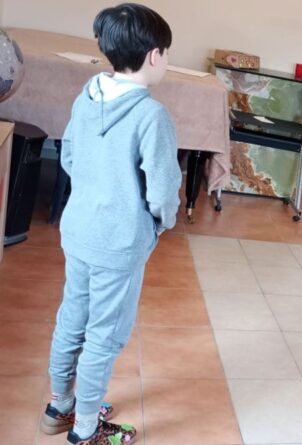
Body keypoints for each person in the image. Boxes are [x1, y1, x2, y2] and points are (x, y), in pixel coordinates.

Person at [41, 4, 182, 444]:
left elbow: (68, 156)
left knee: (72, 317)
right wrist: (162, 221)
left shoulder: (87, 96)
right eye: (167, 53)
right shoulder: (151, 116)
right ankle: (86, 429)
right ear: (155, 55)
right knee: (105, 334)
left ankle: (60, 405)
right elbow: (163, 190)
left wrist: (94, 190)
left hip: (78, 230)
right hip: (118, 242)